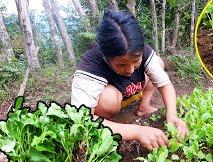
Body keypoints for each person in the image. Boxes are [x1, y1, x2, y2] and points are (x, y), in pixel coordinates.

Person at [71, 10, 189, 150]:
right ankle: (109, 122)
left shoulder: (141, 49)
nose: (131, 70)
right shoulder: (90, 67)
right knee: (108, 100)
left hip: (130, 91)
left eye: (136, 60)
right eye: (121, 65)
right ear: (106, 57)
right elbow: (83, 120)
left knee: (158, 63)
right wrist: (137, 131)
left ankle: (143, 107)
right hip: (112, 100)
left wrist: (172, 116)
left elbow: (165, 85)